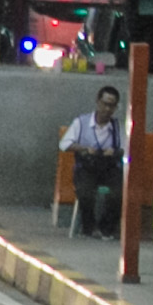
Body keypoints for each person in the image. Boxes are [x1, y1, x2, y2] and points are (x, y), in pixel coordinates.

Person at [59, 87, 125, 237]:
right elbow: (64, 145)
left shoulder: (117, 127)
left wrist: (115, 152)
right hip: (87, 167)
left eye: (111, 106)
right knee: (85, 191)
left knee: (118, 193)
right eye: (105, 104)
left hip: (109, 168)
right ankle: (89, 226)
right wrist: (84, 149)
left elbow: (126, 150)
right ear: (97, 102)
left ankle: (106, 228)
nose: (107, 109)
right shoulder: (81, 122)